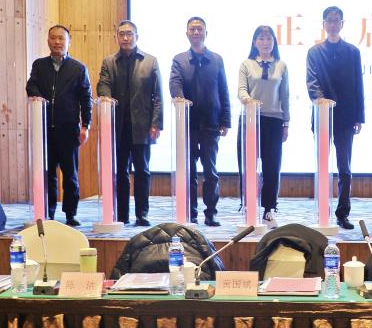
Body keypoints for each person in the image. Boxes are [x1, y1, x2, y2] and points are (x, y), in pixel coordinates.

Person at [96, 20, 163, 226]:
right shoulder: (109, 62)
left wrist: (156, 123)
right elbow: (103, 85)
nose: (125, 38)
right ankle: (122, 215)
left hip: (142, 127)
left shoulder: (150, 61)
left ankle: (142, 214)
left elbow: (158, 96)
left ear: (137, 37)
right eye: (122, 34)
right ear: (116, 37)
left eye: (129, 34)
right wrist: (106, 98)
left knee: (142, 171)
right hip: (117, 127)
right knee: (120, 172)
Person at [25, 25, 92, 226]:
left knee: (70, 175)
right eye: (53, 38)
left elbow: (86, 98)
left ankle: (71, 214)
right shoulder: (39, 65)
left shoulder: (78, 68)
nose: (57, 42)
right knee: (48, 174)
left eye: (61, 38)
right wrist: (38, 95)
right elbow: (31, 85)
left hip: (69, 129)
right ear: (48, 41)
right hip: (45, 129)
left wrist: (86, 125)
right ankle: (49, 213)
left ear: (68, 42)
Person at [306, 6, 364, 230]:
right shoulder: (314, 52)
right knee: (322, 166)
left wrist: (359, 116)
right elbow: (312, 81)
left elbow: (358, 85)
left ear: (342, 24)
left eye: (336, 20)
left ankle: (342, 213)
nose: (332, 24)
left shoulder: (353, 51)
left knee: (344, 168)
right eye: (329, 20)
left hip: (346, 117)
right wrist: (321, 101)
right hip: (322, 115)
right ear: (323, 24)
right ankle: (322, 211)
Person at [169, 17, 231, 226]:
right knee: (189, 171)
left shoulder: (217, 59)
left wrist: (225, 120)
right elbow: (174, 84)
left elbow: (223, 90)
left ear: (206, 33)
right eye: (192, 29)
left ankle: (211, 213)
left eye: (199, 29)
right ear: (187, 33)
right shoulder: (179, 60)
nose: (196, 32)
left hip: (211, 123)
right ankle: (191, 213)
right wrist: (179, 99)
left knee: (210, 172)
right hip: (187, 124)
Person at [237, 25, 290, 229]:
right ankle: (249, 206)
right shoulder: (246, 64)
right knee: (248, 166)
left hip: (274, 121)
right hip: (251, 120)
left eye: (269, 39)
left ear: (274, 42)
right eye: (261, 38)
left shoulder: (281, 65)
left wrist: (286, 122)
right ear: (254, 42)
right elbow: (241, 90)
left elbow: (285, 95)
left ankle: (269, 210)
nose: (265, 42)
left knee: (272, 167)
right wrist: (248, 101)